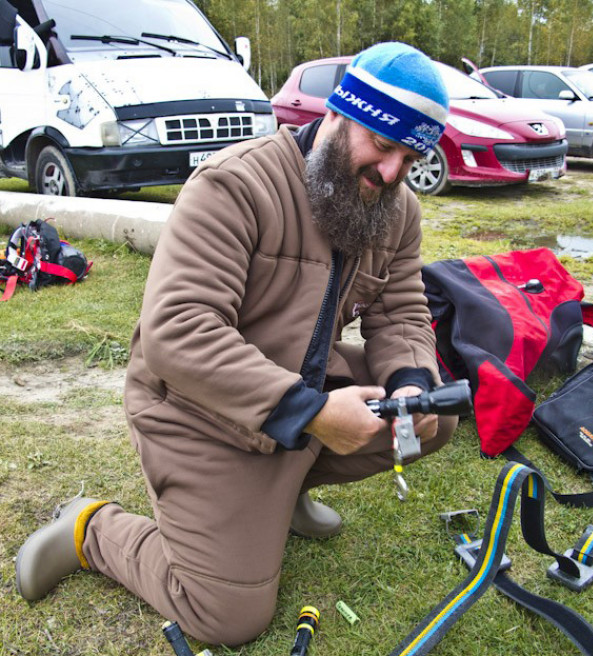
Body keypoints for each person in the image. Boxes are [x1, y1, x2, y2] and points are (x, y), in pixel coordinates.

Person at [16, 42, 457, 646]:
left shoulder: (395, 207)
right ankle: (89, 530)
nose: (390, 173)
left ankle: (283, 491)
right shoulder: (236, 184)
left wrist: (412, 386)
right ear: (336, 115)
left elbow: (403, 311)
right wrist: (315, 414)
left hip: (298, 391)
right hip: (197, 411)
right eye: (382, 145)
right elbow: (179, 331)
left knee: (429, 418)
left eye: (411, 157)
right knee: (228, 617)